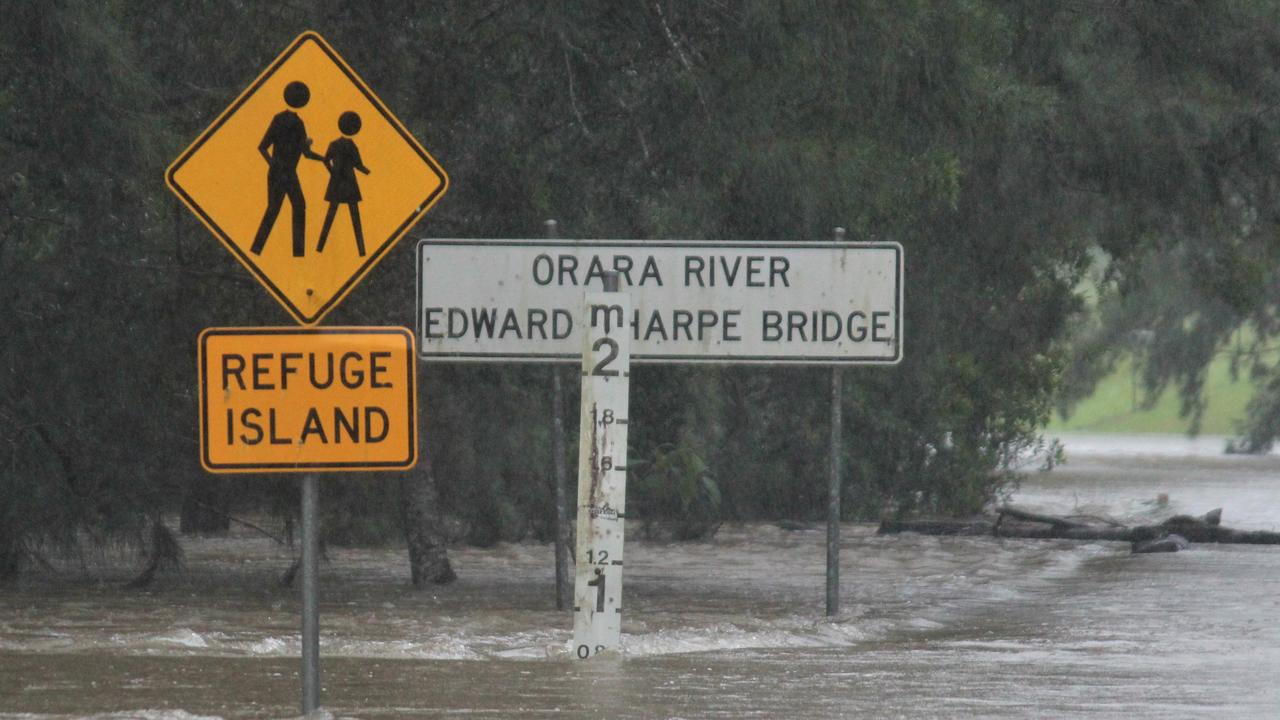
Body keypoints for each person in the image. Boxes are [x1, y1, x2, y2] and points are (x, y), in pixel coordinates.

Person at [249, 81, 323, 257]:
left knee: (291, 207)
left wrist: (273, 163)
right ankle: (263, 250)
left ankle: (289, 253)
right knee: (283, 208)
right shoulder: (295, 123)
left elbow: (303, 152)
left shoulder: (286, 120)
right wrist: (274, 163)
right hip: (283, 173)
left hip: (284, 173)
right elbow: (263, 147)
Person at [316, 111, 370, 256]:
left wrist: (333, 172)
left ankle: (320, 247)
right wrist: (368, 172)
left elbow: (326, 160)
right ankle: (361, 250)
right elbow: (359, 165)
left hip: (338, 183)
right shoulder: (352, 146)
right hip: (349, 183)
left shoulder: (335, 144)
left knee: (333, 216)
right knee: (352, 218)